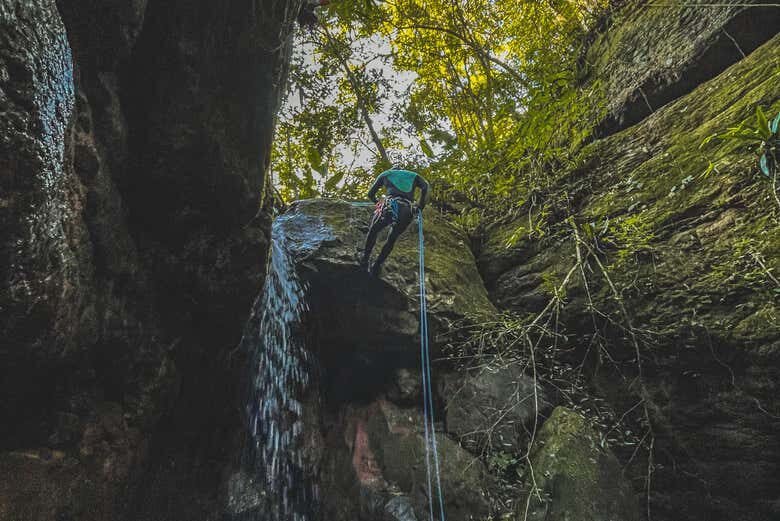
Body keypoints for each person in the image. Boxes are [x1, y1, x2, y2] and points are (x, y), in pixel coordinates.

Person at [360, 167, 429, 277]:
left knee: (374, 230)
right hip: (407, 209)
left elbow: (370, 194)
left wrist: (377, 202)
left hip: (390, 205)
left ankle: (365, 259)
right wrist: (420, 206)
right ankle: (377, 265)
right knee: (392, 239)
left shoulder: (387, 173)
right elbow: (425, 186)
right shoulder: (414, 176)